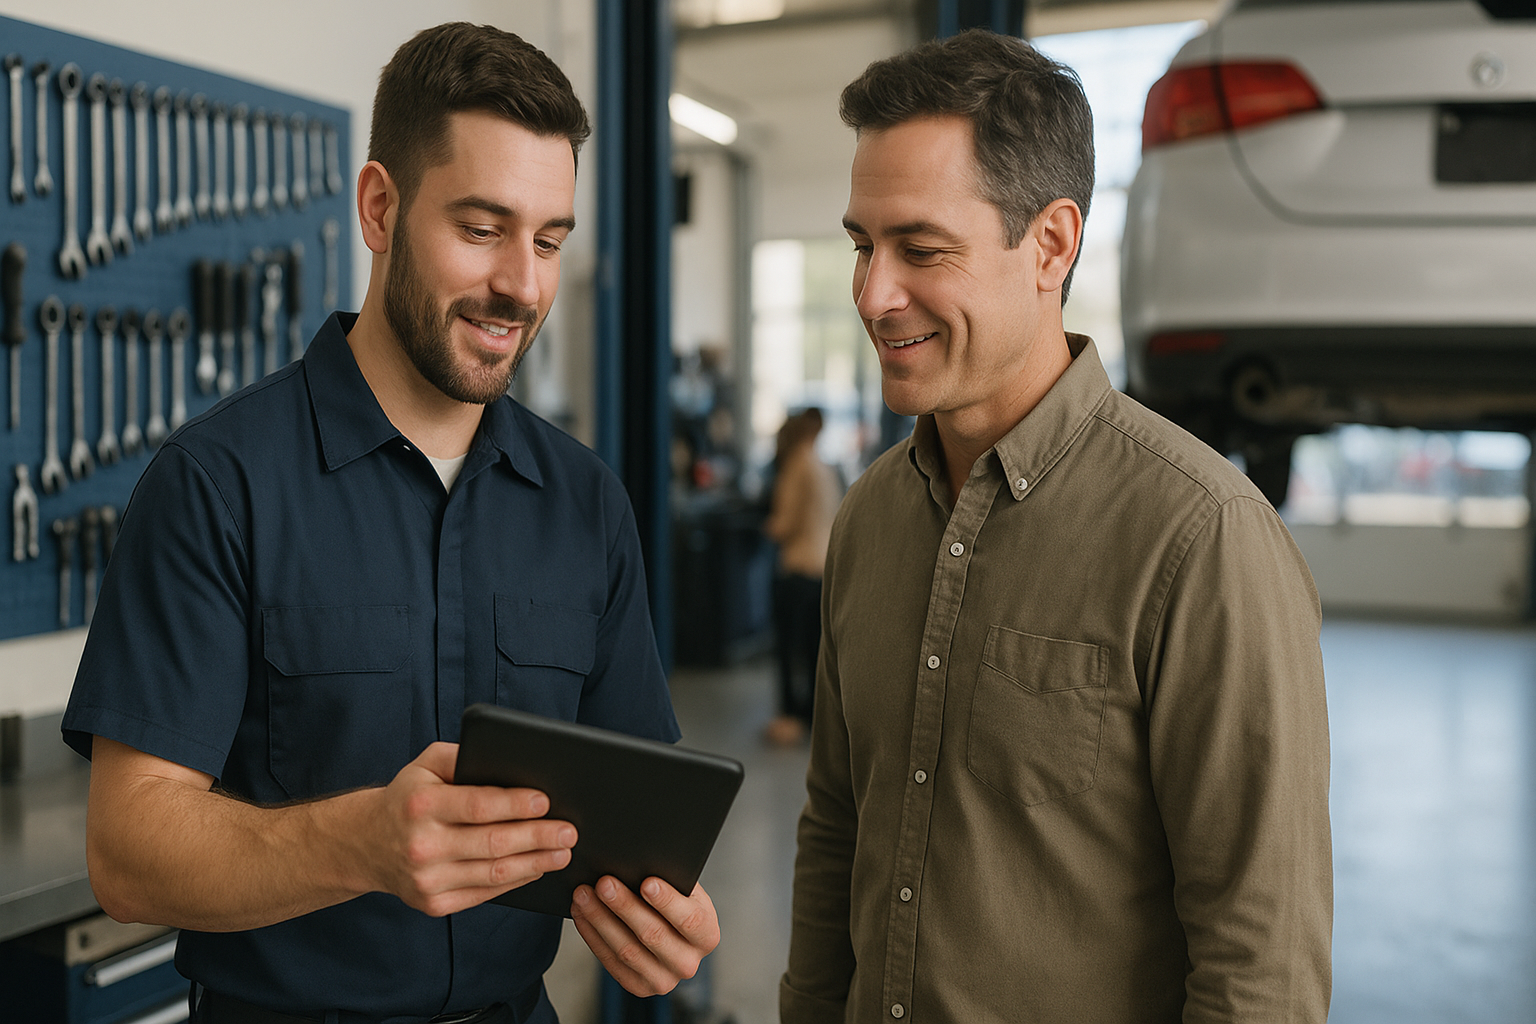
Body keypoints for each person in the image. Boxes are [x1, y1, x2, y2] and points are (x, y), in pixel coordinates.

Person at [62, 22, 718, 1024]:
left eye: (549, 239)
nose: (523, 285)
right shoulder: (215, 484)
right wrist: (359, 843)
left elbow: (631, 822)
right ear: (379, 208)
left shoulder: (585, 503)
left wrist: (654, 912)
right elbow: (129, 855)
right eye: (482, 228)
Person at [779, 29, 1331, 1024]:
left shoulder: (1203, 538)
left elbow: (1261, 959)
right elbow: (836, 835)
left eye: (921, 248)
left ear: (1051, 244)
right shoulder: (869, 520)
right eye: (862, 246)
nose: (873, 294)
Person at [762, 408, 840, 746]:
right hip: (821, 569)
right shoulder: (824, 467)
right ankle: (810, 717)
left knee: (787, 649)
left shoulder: (796, 465)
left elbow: (785, 522)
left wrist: (766, 526)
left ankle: (789, 718)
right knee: (812, 650)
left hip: (796, 568)